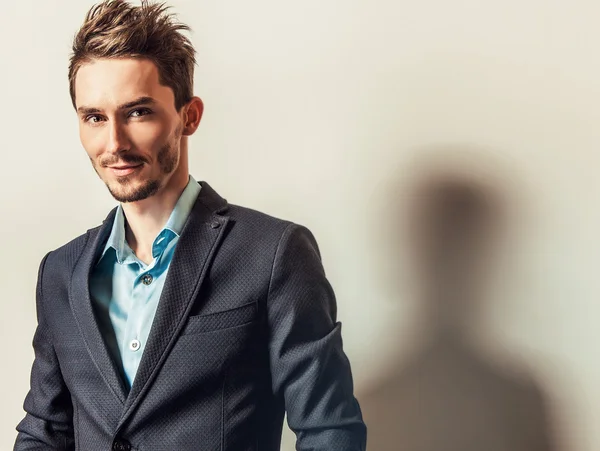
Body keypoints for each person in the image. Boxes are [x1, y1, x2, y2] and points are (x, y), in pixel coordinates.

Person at [14, 1, 366, 449]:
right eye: (95, 118)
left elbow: (329, 431)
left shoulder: (273, 254)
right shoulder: (60, 273)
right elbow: (45, 431)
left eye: (138, 112)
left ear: (189, 115)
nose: (114, 143)